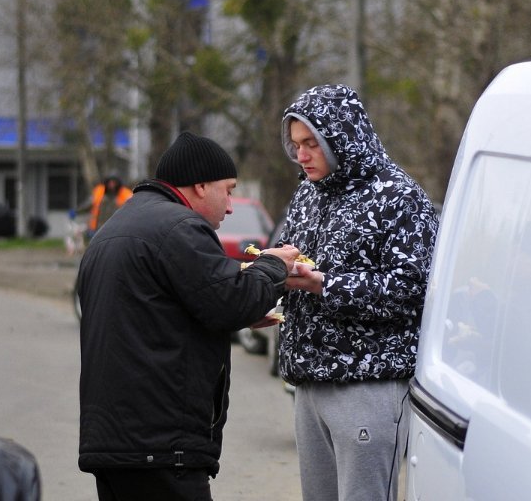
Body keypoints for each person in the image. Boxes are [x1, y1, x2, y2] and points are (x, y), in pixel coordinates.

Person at [77, 131, 301, 501]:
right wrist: (273, 265)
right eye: (228, 190)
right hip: (161, 445)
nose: (230, 206)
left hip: (115, 442)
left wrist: (240, 312)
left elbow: (161, 313)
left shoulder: (116, 227)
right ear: (200, 186)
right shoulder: (180, 227)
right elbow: (230, 300)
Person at [276, 84, 439, 501]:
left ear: (342, 137)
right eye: (296, 145)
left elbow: (415, 289)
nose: (301, 155)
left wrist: (326, 284)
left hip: (368, 385)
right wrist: (271, 291)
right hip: (309, 382)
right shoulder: (307, 194)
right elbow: (291, 260)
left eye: (312, 143)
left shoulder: (400, 197)